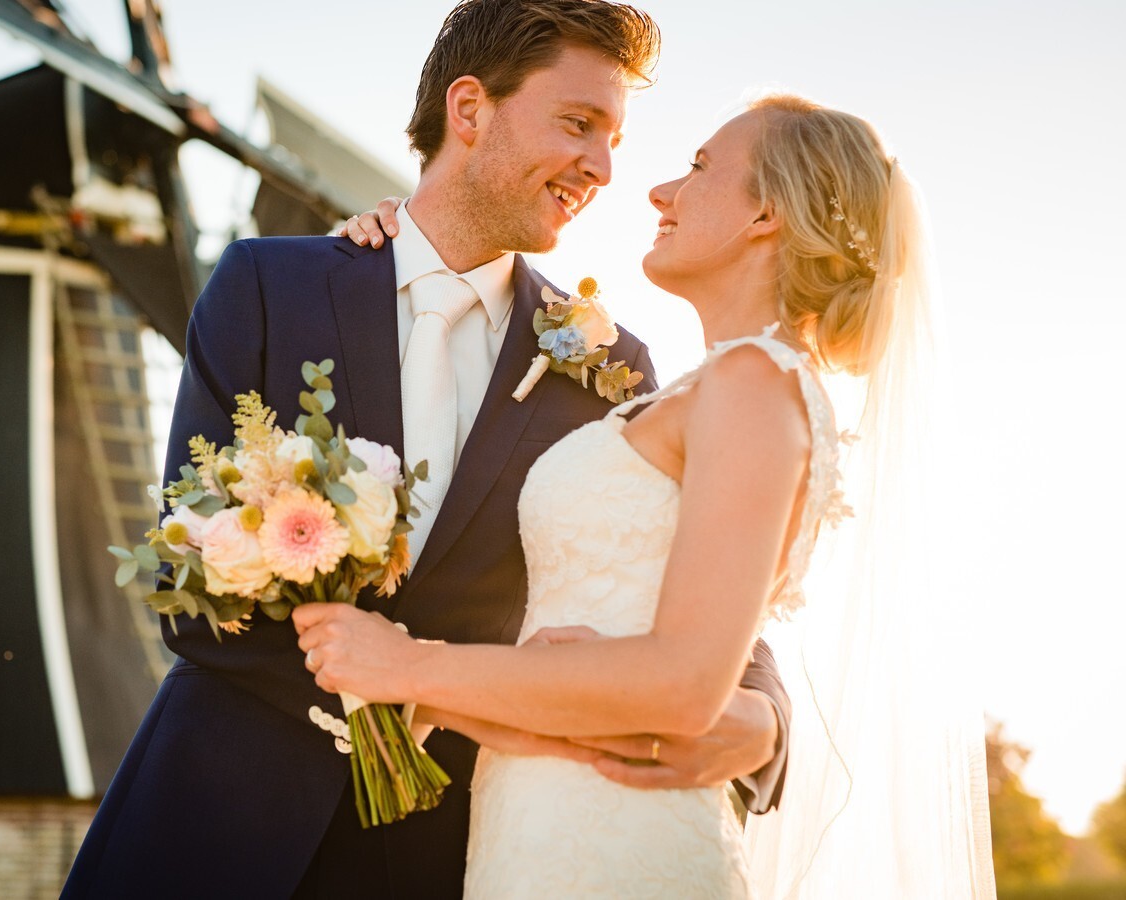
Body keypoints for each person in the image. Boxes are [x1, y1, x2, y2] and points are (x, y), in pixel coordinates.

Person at [61, 2, 792, 898]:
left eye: (614, 137)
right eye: (578, 124)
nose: (603, 167)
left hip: (436, 851)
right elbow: (190, 581)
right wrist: (392, 686)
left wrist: (764, 718)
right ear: (472, 109)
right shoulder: (267, 287)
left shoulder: (607, 363)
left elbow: (685, 565)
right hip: (204, 827)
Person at [299, 95, 995, 896]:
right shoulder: (706, 392)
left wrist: (414, 668)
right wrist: (441, 698)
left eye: (698, 168)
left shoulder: (753, 386)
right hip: (536, 815)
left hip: (616, 842)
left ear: (765, 213)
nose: (660, 191)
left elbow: (685, 683)